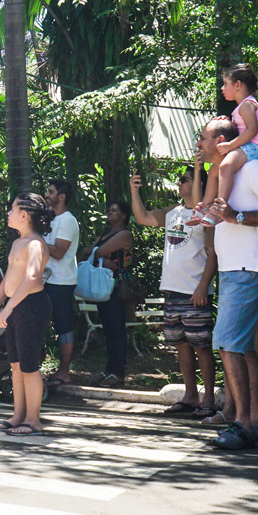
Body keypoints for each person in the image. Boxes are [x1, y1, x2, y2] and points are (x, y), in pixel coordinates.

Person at [203, 118, 258, 450]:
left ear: (221, 141)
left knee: (228, 343)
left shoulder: (252, 169)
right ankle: (257, 420)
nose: (198, 144)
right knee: (249, 347)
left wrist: (235, 216)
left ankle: (241, 425)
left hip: (247, 271)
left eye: (202, 138)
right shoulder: (225, 177)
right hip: (236, 271)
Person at [131, 166, 218, 417]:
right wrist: (134, 191)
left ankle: (208, 399)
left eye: (184, 179)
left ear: (199, 183)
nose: (179, 183)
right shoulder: (173, 212)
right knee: (181, 345)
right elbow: (143, 218)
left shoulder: (206, 215)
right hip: (172, 291)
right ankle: (190, 396)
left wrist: (203, 287)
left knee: (202, 346)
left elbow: (213, 254)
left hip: (195, 293)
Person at [0, 193, 52, 435]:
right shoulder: (18, 242)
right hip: (14, 306)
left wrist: (10, 307)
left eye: (12, 209)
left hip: (31, 306)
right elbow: (9, 277)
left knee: (28, 365)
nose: (8, 213)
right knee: (15, 364)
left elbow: (32, 277)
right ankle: (18, 416)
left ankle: (33, 421)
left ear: (24, 215)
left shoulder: (35, 243)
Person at [195, 64, 258, 227]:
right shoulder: (242, 106)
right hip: (249, 146)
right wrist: (226, 120)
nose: (222, 88)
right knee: (214, 169)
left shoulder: (246, 105)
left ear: (237, 85)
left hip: (257, 147)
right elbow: (241, 128)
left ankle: (219, 208)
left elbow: (252, 130)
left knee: (225, 166)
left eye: (225, 84)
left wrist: (230, 146)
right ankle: (206, 206)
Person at [86, 201, 134, 387]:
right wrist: (98, 255)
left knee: (117, 329)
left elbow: (99, 251)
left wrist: (98, 254)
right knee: (108, 329)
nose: (110, 212)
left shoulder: (124, 234)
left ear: (124, 215)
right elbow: (87, 252)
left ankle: (118, 372)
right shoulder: (105, 234)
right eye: (109, 210)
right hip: (104, 285)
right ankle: (109, 370)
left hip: (117, 287)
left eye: (114, 210)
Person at [41, 179, 80, 387]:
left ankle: (64, 372)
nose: (47, 195)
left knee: (63, 326)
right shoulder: (51, 219)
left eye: (51, 192)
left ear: (62, 197)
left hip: (61, 282)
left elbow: (58, 252)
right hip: (46, 280)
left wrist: (35, 240)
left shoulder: (68, 220)